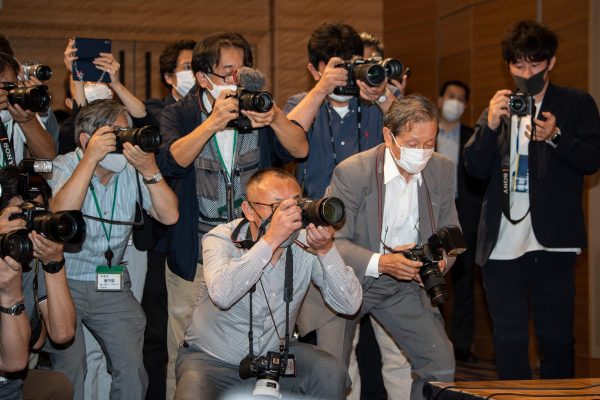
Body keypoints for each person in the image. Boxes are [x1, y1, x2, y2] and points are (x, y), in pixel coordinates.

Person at [157, 31, 308, 399]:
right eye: (229, 72)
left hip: (254, 252)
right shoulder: (181, 112)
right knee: (184, 348)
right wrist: (211, 122)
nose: (237, 80)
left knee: (255, 344)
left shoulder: (259, 107)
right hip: (194, 254)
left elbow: (299, 149)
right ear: (203, 77)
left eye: (243, 70)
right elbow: (171, 163)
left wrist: (273, 118)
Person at [464, 20, 600, 380]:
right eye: (518, 66)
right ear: (508, 66)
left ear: (551, 63)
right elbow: (474, 169)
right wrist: (490, 125)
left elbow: (592, 159)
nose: (527, 73)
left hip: (553, 243)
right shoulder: (499, 106)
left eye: (535, 65)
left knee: (556, 341)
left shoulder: (575, 104)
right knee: (508, 341)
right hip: (502, 246)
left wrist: (556, 136)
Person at [174, 168, 362, 400]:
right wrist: (271, 240)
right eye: (278, 207)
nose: (289, 215)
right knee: (191, 393)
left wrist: (326, 250)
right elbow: (223, 295)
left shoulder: (306, 244)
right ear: (249, 210)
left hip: (277, 358)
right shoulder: (222, 238)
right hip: (213, 360)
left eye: (295, 204)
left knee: (330, 373)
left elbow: (349, 305)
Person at [44, 99, 179, 399]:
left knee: (132, 370)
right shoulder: (64, 165)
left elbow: (169, 215)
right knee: (71, 368)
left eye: (127, 131)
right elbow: (58, 217)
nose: (125, 140)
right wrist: (89, 160)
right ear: (86, 139)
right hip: (65, 284)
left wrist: (150, 169)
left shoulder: (131, 170)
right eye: (116, 133)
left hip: (112, 284)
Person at [324, 95, 457, 400]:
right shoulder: (353, 172)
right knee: (330, 373)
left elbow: (452, 231)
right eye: (413, 142)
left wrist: (440, 262)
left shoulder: (441, 169)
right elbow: (335, 243)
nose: (423, 152)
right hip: (347, 280)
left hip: (404, 284)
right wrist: (382, 263)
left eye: (430, 142)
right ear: (389, 135)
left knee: (440, 362)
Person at [0, 167, 76, 400]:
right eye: (22, 214)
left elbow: (62, 333)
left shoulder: (31, 260)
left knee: (58, 386)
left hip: (10, 388)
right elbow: (13, 362)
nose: (29, 225)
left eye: (38, 214)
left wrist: (54, 265)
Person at [436, 80, 486, 363]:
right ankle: (437, 341)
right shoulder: (427, 134)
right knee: (435, 279)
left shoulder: (472, 136)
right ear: (441, 100)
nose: (455, 102)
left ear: (466, 105)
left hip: (465, 214)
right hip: (433, 214)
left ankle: (463, 346)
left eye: (461, 98)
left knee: (465, 281)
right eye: (451, 96)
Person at [0, 52, 57, 166]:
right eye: (3, 86)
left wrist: (28, 121)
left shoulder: (20, 109)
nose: (6, 92)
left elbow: (48, 159)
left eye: (11, 86)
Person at [146, 39, 196, 123]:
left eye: (197, 68)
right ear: (168, 77)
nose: (195, 74)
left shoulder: (211, 108)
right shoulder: (155, 108)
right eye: (187, 67)